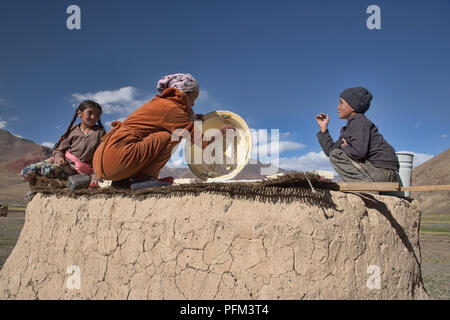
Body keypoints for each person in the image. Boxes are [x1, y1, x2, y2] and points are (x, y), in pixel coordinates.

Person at [92, 73, 233, 190]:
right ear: (183, 94)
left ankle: (123, 180)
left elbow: (171, 120)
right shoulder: (173, 110)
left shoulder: (161, 104)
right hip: (118, 159)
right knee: (174, 135)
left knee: (173, 132)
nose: (194, 104)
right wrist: (223, 130)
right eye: (193, 99)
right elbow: (202, 142)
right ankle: (144, 179)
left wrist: (193, 120)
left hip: (102, 160)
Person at [315, 87, 400, 183]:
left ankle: (367, 188)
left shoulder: (359, 121)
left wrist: (344, 147)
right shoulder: (349, 128)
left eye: (341, 102)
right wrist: (323, 128)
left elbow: (358, 152)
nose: (338, 107)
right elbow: (331, 151)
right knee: (335, 154)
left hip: (384, 172)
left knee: (336, 154)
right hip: (380, 173)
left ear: (352, 106)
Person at [21, 100, 106, 193]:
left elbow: (101, 157)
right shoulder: (72, 129)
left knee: (47, 170)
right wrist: (59, 157)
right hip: (64, 161)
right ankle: (36, 189)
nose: (94, 117)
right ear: (79, 113)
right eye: (90, 113)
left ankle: (65, 184)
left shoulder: (100, 133)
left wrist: (95, 177)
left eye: (97, 115)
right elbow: (59, 149)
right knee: (26, 172)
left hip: (78, 169)